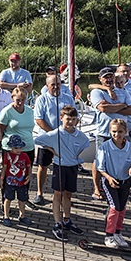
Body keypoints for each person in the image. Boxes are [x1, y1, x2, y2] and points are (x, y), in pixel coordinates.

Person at [33, 106, 91, 241]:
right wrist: (53, 151)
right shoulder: (55, 134)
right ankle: (57, 223)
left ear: (77, 120)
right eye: (67, 119)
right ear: (61, 119)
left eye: (73, 119)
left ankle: (67, 219)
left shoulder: (80, 135)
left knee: (68, 194)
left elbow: (86, 143)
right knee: (57, 194)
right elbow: (38, 140)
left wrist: (77, 156)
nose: (70, 122)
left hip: (72, 167)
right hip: (60, 167)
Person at [95, 119, 131, 248]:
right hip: (110, 181)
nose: (117, 134)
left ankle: (117, 232)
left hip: (125, 181)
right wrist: (109, 178)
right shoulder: (105, 147)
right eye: (114, 132)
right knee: (114, 207)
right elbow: (100, 167)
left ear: (125, 132)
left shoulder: (130, 147)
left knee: (122, 208)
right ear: (110, 131)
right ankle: (109, 235)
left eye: (120, 132)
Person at [89, 67, 131, 200]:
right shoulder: (96, 92)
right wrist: (122, 106)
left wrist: (113, 107)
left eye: (111, 77)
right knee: (99, 161)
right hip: (104, 132)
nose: (109, 79)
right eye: (105, 77)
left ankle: (123, 185)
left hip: (122, 133)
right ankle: (97, 188)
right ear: (100, 79)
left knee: (122, 160)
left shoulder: (123, 92)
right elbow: (103, 108)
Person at [32, 74, 77, 207]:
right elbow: (39, 119)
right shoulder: (41, 99)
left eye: (58, 84)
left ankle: (62, 195)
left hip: (65, 139)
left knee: (63, 166)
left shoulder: (68, 98)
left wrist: (68, 131)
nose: (56, 87)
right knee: (43, 166)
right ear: (47, 86)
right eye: (53, 85)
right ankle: (39, 193)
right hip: (47, 139)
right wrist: (54, 134)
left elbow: (75, 116)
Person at [0, 88, 35, 191]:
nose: (20, 102)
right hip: (11, 149)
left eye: (23, 99)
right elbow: (0, 130)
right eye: (18, 99)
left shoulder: (30, 111)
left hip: (28, 147)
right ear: (12, 98)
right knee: (9, 173)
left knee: (26, 173)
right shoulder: (7, 111)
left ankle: (24, 198)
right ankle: (5, 200)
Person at [1, 134, 32, 227]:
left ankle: (22, 215)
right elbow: (4, 168)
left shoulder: (25, 156)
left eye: (20, 147)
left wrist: (29, 175)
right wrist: (1, 179)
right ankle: (6, 216)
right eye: (15, 148)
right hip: (10, 182)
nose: (18, 150)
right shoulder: (7, 155)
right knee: (8, 199)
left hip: (22, 182)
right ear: (11, 147)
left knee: (22, 199)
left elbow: (29, 166)